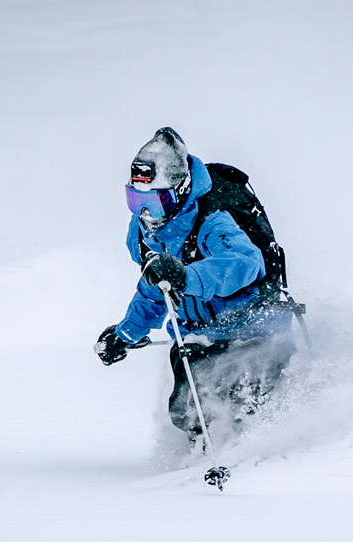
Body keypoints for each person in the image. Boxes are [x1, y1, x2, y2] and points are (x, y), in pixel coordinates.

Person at [94, 127, 296, 446]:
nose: (146, 213)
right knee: (186, 413)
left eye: (155, 202)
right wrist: (126, 334)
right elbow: (155, 287)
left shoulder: (211, 221)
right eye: (136, 200)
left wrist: (186, 276)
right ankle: (194, 471)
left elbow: (245, 263)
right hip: (196, 335)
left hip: (251, 332)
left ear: (180, 189)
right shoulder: (145, 232)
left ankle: (266, 462)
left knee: (242, 407)